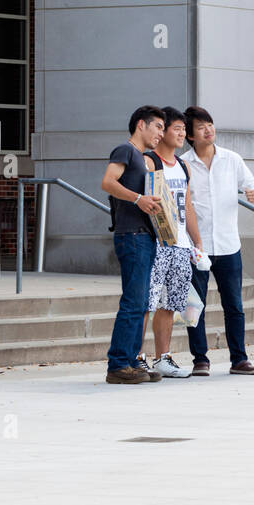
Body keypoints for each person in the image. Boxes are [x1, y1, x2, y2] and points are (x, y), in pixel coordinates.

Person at [180, 106, 254, 376]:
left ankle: (239, 359)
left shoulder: (231, 159)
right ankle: (200, 360)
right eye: (202, 127)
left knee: (234, 306)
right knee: (195, 306)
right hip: (196, 246)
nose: (209, 130)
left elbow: (253, 185)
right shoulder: (183, 164)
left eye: (211, 124)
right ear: (191, 136)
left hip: (229, 245)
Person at [99, 105, 166, 385]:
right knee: (133, 301)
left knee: (139, 302)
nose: (161, 134)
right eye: (158, 127)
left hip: (145, 236)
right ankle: (117, 364)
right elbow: (107, 182)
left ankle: (129, 362)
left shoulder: (145, 158)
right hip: (132, 236)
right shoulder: (125, 150)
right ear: (142, 125)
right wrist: (138, 198)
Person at [142, 107, 203, 378]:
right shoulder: (149, 160)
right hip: (156, 243)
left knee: (171, 302)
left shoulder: (183, 165)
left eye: (183, 129)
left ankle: (162, 358)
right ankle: (136, 356)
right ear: (162, 130)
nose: (181, 134)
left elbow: (187, 205)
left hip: (180, 244)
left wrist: (197, 242)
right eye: (175, 128)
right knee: (148, 301)